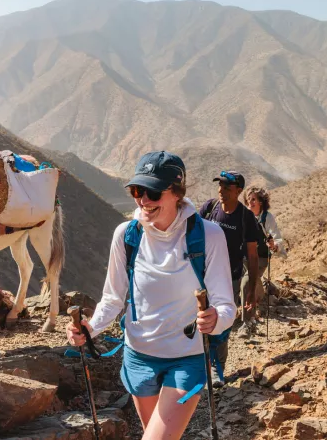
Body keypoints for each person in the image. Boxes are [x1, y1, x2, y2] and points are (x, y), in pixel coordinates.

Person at [66, 151, 236, 439]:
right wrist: (89, 328)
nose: (143, 200)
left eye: (153, 192)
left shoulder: (209, 236)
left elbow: (227, 307)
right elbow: (112, 298)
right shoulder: (126, 236)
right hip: (137, 360)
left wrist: (215, 318)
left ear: (176, 193)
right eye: (137, 190)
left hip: (190, 365)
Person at [199, 170, 260, 380]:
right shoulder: (209, 208)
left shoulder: (246, 218)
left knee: (221, 323)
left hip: (229, 279)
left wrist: (251, 289)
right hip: (201, 276)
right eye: (220, 186)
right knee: (196, 320)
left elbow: (252, 256)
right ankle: (196, 364)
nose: (221, 190)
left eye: (227, 187)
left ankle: (217, 368)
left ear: (238, 191)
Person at [242, 186, 286, 319]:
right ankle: (260, 296)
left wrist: (273, 245)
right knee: (246, 279)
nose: (250, 202)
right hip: (244, 256)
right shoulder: (244, 215)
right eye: (248, 199)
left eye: (254, 199)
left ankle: (248, 321)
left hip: (261, 257)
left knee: (247, 281)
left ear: (261, 201)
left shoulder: (267, 218)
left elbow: (277, 237)